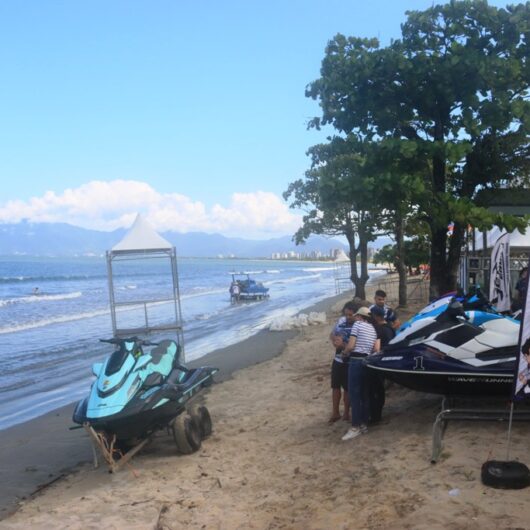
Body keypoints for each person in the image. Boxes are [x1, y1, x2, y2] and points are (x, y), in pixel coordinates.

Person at [341, 306, 380, 441]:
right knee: (364, 394)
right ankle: (364, 424)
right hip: (367, 361)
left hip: (356, 361)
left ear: (359, 317)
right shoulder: (373, 329)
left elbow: (351, 345)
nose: (354, 318)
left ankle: (355, 427)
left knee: (354, 394)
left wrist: (344, 352)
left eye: (356, 316)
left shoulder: (357, 325)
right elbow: (375, 349)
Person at [328, 301, 356, 423]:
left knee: (347, 388)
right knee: (335, 386)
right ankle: (335, 412)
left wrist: (343, 344)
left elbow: (357, 346)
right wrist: (335, 340)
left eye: (350, 315)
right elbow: (331, 334)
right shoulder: (341, 321)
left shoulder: (358, 326)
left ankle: (346, 413)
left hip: (350, 360)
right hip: (338, 359)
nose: (348, 317)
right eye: (346, 315)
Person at [368, 305, 396, 423]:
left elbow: (380, 348)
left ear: (376, 317)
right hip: (385, 361)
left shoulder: (381, 330)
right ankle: (376, 415)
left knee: (376, 390)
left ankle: (375, 417)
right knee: (378, 390)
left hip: (380, 362)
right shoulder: (389, 328)